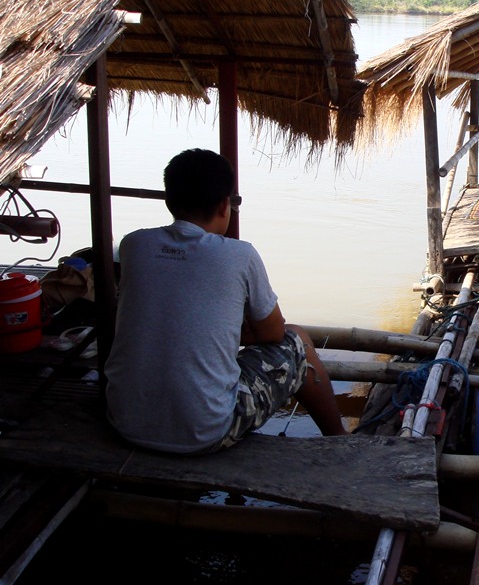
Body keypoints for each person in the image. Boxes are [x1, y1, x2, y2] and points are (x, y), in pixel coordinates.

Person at [105, 148, 348, 454]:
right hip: (205, 432)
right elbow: (274, 334)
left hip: (125, 422)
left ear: (169, 201)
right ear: (224, 205)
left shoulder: (134, 244)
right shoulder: (240, 255)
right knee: (297, 340)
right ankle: (339, 438)